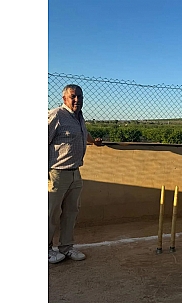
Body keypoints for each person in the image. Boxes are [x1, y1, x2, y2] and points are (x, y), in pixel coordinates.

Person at [48, 84, 102, 264]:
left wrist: (94, 141)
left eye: (80, 96)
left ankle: (66, 247)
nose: (77, 99)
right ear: (64, 99)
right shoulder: (56, 115)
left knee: (71, 211)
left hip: (75, 173)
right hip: (56, 173)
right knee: (50, 213)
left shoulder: (79, 117)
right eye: (73, 96)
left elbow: (82, 133)